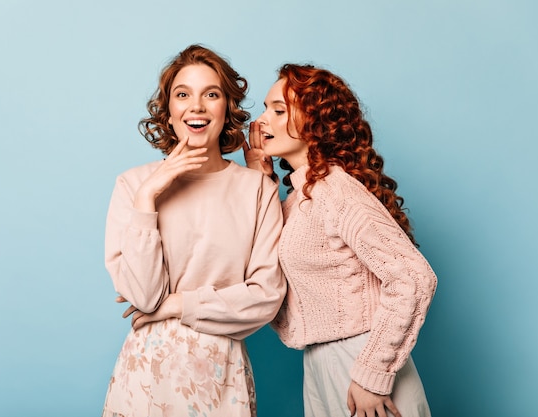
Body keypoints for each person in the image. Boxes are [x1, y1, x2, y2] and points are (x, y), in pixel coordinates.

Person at [101, 44, 286, 417]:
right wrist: (150, 195)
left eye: (211, 94)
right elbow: (143, 295)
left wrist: (178, 304)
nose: (196, 106)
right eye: (182, 95)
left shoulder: (257, 190)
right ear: (168, 113)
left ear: (226, 110)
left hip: (223, 376)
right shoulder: (132, 185)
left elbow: (266, 298)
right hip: (146, 378)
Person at [244, 64, 438, 417]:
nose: (262, 121)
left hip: (361, 362)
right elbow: (262, 267)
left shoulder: (335, 190)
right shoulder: (298, 199)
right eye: (265, 108)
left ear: (313, 120)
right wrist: (261, 178)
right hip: (320, 364)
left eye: (278, 109)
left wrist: (372, 375)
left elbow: (413, 277)